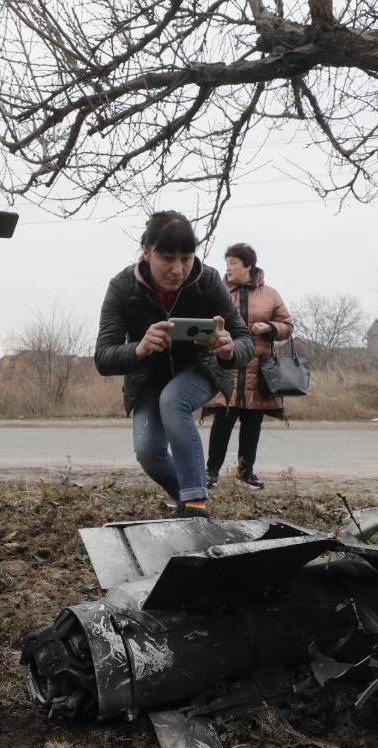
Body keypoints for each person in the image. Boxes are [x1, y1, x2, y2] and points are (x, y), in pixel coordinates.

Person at [94, 211, 254, 518]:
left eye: (186, 257)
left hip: (202, 369)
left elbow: (243, 338)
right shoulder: (123, 286)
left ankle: (195, 505)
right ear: (146, 252)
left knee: (174, 400)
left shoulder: (207, 280)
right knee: (148, 453)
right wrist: (138, 348)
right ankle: (186, 500)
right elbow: (103, 356)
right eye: (167, 258)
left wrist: (228, 348)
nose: (178, 269)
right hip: (147, 378)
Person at [203, 243, 294, 490]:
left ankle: (246, 473)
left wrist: (270, 328)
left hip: (259, 372)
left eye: (233, 263)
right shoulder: (218, 292)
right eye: (227, 263)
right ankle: (211, 472)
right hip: (226, 368)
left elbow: (287, 325)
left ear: (248, 266)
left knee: (252, 424)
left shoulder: (270, 294)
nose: (228, 268)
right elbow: (203, 322)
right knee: (222, 421)